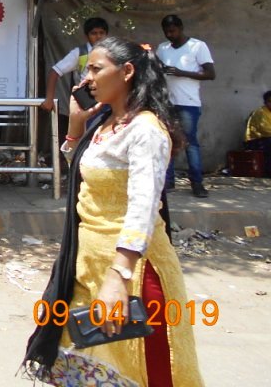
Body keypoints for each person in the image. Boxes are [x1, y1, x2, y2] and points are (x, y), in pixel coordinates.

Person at [22, 37, 204, 385]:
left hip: (131, 275)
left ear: (127, 72)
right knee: (81, 366)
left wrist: (118, 277)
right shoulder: (104, 124)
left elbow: (144, 206)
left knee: (143, 370)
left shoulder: (145, 130)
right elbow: (84, 176)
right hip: (88, 267)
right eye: (86, 69)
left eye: (95, 68)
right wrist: (75, 129)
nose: (86, 78)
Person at [157, 14, 215, 197]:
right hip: (167, 101)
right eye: (166, 32)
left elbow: (210, 74)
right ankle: (168, 181)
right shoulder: (163, 48)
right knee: (167, 141)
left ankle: (197, 183)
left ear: (181, 28)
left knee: (189, 142)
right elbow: (157, 70)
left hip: (188, 102)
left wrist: (182, 72)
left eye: (172, 31)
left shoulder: (197, 46)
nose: (170, 35)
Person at [41, 16, 109, 114]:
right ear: (87, 36)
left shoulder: (112, 53)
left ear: (106, 34)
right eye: (94, 33)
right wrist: (49, 99)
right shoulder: (80, 53)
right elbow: (54, 72)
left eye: (101, 33)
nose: (98, 36)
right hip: (87, 101)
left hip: (108, 100)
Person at [244, 90, 271, 177]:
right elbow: (266, 131)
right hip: (254, 142)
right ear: (265, 102)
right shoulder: (260, 112)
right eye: (270, 101)